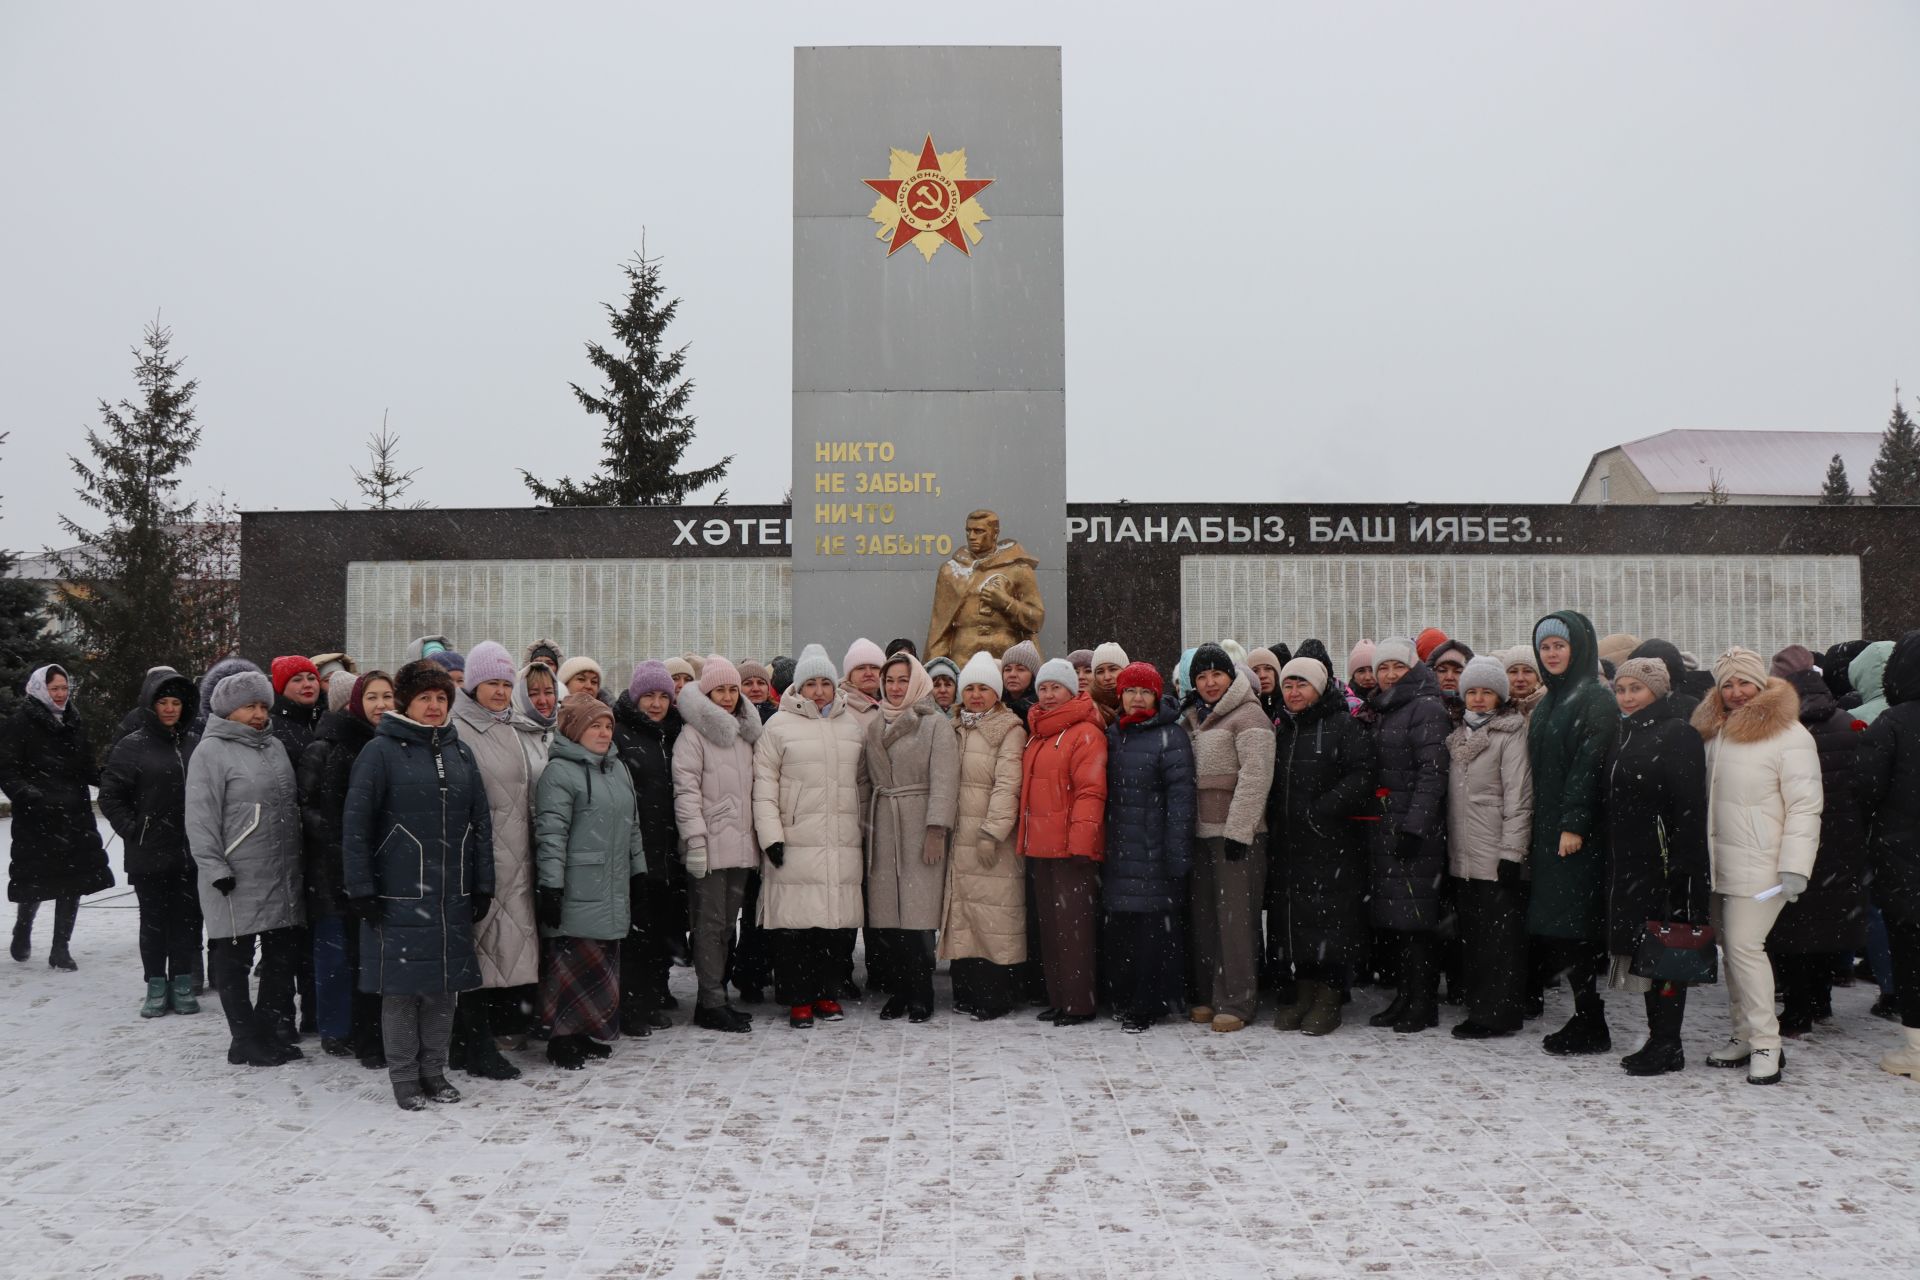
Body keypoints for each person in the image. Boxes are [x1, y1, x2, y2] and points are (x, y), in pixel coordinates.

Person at [342, 659, 494, 1109]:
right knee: (403, 990)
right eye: (425, 697)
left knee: (442, 988)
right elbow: (356, 826)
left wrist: (482, 883)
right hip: (399, 892)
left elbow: (480, 823)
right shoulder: (380, 752)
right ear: (407, 701)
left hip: (452, 893)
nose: (434, 705)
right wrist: (362, 888)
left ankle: (435, 1071)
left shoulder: (459, 750)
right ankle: (405, 1078)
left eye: (441, 697)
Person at [1692, 646, 1822, 1085]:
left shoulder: (1789, 735)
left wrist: (1795, 867)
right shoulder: (1713, 732)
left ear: (1761, 684)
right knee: (1733, 953)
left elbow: (1805, 807)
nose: (1736, 692)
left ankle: (1769, 1042)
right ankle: (1744, 1034)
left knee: (1747, 948)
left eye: (1745, 682)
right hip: (1717, 864)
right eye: (1727, 684)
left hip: (1763, 867)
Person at [184, 670, 305, 1066]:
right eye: (248, 706)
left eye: (262, 705)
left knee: (279, 959)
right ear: (226, 710)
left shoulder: (273, 746)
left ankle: (266, 1032)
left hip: (279, 871)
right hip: (234, 875)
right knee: (235, 959)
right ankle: (244, 1038)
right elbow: (200, 817)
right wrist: (214, 866)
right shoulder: (210, 751)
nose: (258, 714)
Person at [752, 645, 869, 1029]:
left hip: (841, 840)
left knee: (834, 927)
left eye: (825, 683)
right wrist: (771, 837)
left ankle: (826, 992)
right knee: (795, 928)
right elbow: (764, 786)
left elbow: (863, 783)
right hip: (796, 840)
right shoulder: (778, 726)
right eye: (811, 684)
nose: (819, 691)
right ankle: (797, 998)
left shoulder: (850, 725)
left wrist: (864, 832)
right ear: (798, 688)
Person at [1603, 657, 1709, 1076]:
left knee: (1668, 951)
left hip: (1663, 862)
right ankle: (1658, 1037)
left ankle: (1669, 1042)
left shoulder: (1677, 733)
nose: (1628, 697)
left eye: (1637, 689)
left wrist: (1682, 869)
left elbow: (1688, 807)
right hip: (1628, 862)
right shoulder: (1625, 731)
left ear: (1658, 690)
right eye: (1621, 689)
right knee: (1647, 951)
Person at [448, 642, 546, 1079]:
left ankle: (503, 1026)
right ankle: (476, 1038)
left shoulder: (515, 725)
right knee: (484, 945)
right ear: (472, 685)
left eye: (507, 684)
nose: (501, 692)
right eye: (492, 683)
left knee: (511, 943)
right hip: (484, 855)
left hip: (520, 853)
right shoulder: (459, 728)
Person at [533, 693, 647, 1069]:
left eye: (607, 725)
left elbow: (633, 828)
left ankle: (584, 1031)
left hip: (612, 883)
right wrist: (551, 885)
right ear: (574, 730)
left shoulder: (617, 768)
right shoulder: (559, 773)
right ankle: (560, 1038)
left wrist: (639, 871)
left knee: (600, 962)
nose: (602, 732)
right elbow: (551, 834)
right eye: (593, 725)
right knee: (571, 962)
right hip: (576, 884)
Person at [1525, 611, 1621, 1056]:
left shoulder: (1594, 699)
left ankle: (1591, 1019)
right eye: (1545, 647)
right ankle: (1586, 1015)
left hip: (1574, 835)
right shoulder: (1549, 701)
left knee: (1574, 927)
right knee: (1557, 928)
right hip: (1547, 830)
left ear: (1578, 648)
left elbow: (1589, 765)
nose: (1552, 654)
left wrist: (1573, 824)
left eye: (1559, 645)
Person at [1269, 655, 1376, 1035]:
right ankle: (1304, 989)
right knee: (1295, 921)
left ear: (1319, 687)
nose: (1294, 692)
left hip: (1331, 842)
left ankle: (1330, 994)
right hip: (1290, 843)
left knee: (1331, 919)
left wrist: (1322, 811)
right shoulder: (1284, 729)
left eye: (1302, 684)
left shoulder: (1342, 725)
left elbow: (1362, 774)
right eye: (1288, 685)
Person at [1767, 645, 1868, 1037]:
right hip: (1842, 841)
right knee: (1827, 923)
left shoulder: (1777, 727)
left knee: (1790, 926)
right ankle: (1820, 1000)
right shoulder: (1848, 723)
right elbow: (1866, 785)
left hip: (1791, 837)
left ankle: (1794, 1010)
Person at [298, 670, 394, 1068]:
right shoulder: (334, 749)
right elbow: (314, 809)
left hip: (381, 868)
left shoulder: (395, 743)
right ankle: (343, 1030)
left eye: (388, 697)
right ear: (356, 702)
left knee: (374, 956)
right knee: (342, 956)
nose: (381, 705)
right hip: (338, 870)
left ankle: (372, 1030)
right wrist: (345, 849)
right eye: (371, 697)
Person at [1180, 644, 1276, 1034]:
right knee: (1203, 919)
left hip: (1237, 837)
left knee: (1236, 922)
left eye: (1216, 674)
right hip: (1200, 834)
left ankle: (1237, 1000)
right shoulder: (1190, 718)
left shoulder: (1249, 715)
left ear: (1231, 676)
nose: (1209, 683)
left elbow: (1256, 776)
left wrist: (1240, 830)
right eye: (1201, 676)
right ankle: (1207, 993)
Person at [100, 668, 203, 1017]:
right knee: (154, 921)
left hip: (191, 850)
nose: (170, 709)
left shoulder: (195, 743)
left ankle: (184, 980)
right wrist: (134, 828)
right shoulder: (133, 745)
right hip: (149, 852)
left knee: (187, 920)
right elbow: (111, 795)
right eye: (163, 702)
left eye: (176, 702)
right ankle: (156, 983)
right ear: (151, 705)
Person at [863, 651, 959, 1022]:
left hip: (919, 825)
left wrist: (937, 828)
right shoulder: (874, 726)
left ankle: (921, 993)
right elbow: (866, 780)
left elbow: (945, 779)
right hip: (884, 824)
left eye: (903, 680)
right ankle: (900, 991)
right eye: (890, 681)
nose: (896, 687)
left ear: (916, 681)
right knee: (890, 921)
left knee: (918, 919)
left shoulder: (934, 724)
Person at [1364, 638, 1452, 1033]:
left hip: (1414, 832)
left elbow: (1432, 773)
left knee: (1417, 922)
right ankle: (1405, 996)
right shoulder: (1387, 708)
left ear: (1412, 667)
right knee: (1398, 921)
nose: (1389, 674)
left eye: (1397, 666)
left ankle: (1423, 1002)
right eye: (1383, 668)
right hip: (1388, 828)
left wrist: (1415, 827)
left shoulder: (1426, 707)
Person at [672, 655, 763, 1033]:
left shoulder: (743, 735)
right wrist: (694, 841)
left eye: (732, 689)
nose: (727, 697)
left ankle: (718, 996)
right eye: (719, 690)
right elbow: (686, 792)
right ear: (707, 693)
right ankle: (710, 1002)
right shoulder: (693, 736)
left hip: (740, 846)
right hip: (709, 846)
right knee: (709, 926)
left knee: (726, 925)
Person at [1444, 657, 1534, 1040]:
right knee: (1475, 937)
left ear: (1500, 696)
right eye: (1473, 692)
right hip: (1462, 855)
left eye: (1487, 692)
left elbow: (1520, 798)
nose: (1479, 699)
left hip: (1495, 853)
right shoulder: (1457, 735)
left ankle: (1498, 1013)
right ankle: (1481, 1005)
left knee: (1499, 941)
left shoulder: (1511, 734)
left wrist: (1512, 853)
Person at [1103, 661, 1194, 1033]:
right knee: (1122, 933)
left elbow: (1182, 802)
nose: (1137, 699)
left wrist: (1176, 854)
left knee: (1151, 936)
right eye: (1130, 691)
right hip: (1119, 852)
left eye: (1144, 692)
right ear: (1120, 696)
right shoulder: (1112, 735)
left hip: (1153, 852)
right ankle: (1124, 998)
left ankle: (1148, 1003)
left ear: (1157, 697)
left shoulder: (1171, 736)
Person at [2, 665, 113, 970]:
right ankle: (23, 928)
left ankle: (60, 947)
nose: (61, 694)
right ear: (40, 689)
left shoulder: (73, 721)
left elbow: (87, 765)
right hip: (37, 816)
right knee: (35, 879)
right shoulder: (21, 722)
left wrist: (110, 778)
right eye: (55, 689)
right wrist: (27, 794)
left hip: (74, 815)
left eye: (64, 688)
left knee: (73, 881)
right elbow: (7, 770)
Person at [1017, 658, 1108, 1026]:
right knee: (1052, 929)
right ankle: (1059, 999)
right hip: (1042, 847)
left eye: (1056, 688)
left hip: (1072, 850)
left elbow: (1090, 791)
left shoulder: (1086, 733)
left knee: (1075, 930)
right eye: (1043, 688)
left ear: (1072, 690)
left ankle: (1079, 1003)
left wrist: (1082, 843)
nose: (1049, 695)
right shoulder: (1039, 733)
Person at [940, 652, 1030, 1022]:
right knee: (965, 915)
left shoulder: (1009, 729)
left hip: (991, 840)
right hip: (959, 838)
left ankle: (997, 994)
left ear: (997, 693)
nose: (976, 695)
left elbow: (1008, 785)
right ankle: (967, 989)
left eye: (984, 688)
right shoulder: (954, 727)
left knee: (996, 916)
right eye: (970, 688)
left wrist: (992, 832)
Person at [1856, 629, 1920, 1081]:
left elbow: (1865, 789)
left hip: (1905, 860)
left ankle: (1917, 1047)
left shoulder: (1894, 722)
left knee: (1912, 949)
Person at [612, 660, 684, 1032]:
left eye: (662, 696)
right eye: (648, 696)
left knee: (661, 927)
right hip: (635, 847)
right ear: (635, 697)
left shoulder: (675, 733)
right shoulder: (620, 734)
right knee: (636, 932)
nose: (655, 704)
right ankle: (631, 1005)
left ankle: (656, 993)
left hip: (669, 848)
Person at [269, 656, 325, 764]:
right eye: (297, 680)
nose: (307, 684)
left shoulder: (329, 716)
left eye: (312, 678)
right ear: (281, 688)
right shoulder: (270, 727)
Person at [1000, 640, 1041, 725]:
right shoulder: (993, 705)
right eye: (1007, 669)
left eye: (1021, 669)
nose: (1012, 674)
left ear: (1033, 675)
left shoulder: (1042, 710)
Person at [1089, 642, 1129, 724]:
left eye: (1113, 669)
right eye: (1100, 672)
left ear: (1125, 670)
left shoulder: (1140, 702)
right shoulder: (1087, 707)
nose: (1107, 677)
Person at [514, 660, 559, 730]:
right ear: (519, 698)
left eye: (548, 692)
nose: (543, 701)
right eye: (533, 694)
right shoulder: (509, 734)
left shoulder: (564, 729)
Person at [1503, 648, 1545, 719]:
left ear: (1538, 678)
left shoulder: (1552, 707)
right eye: (1513, 672)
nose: (1520, 678)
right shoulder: (1491, 709)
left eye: (1527, 671)